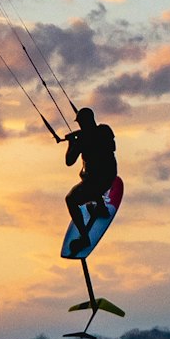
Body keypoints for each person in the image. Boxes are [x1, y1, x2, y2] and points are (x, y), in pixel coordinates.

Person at [64, 108, 117, 257]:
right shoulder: (105, 130)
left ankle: (84, 238)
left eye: (80, 123)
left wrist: (71, 143)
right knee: (86, 175)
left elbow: (69, 161)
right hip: (110, 176)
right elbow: (110, 146)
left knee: (70, 199)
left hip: (97, 183)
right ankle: (100, 206)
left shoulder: (82, 140)